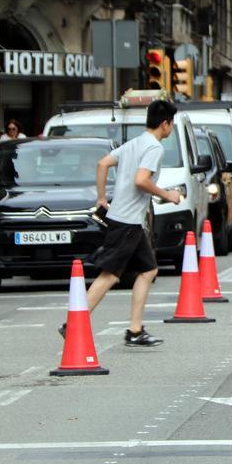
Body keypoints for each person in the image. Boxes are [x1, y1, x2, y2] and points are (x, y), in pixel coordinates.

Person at [64, 100, 181, 346]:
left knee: (148, 270)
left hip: (128, 220)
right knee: (110, 275)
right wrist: (167, 194)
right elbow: (141, 180)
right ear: (165, 123)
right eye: (172, 123)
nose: (171, 128)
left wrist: (101, 198)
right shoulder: (154, 148)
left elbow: (102, 163)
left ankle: (135, 330)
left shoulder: (135, 143)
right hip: (127, 221)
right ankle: (74, 322)